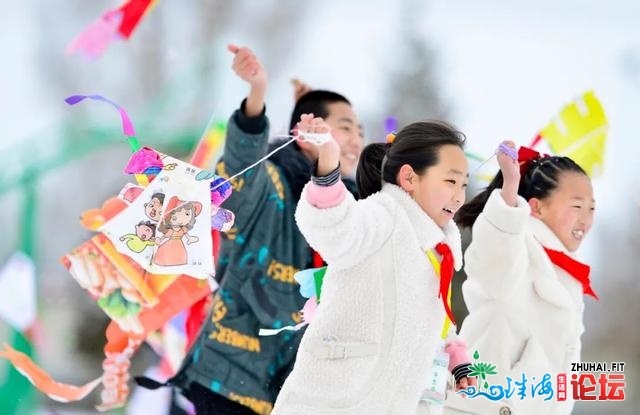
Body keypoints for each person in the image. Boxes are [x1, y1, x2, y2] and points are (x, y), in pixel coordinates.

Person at [170, 44, 364, 414]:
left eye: (360, 130)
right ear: (305, 134)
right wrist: (257, 94)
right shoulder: (270, 182)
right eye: (345, 128)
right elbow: (239, 176)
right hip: (230, 376)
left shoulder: (352, 208)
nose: (356, 139)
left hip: (294, 390)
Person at [272, 116, 476, 414]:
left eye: (463, 185)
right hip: (333, 403)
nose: (459, 197)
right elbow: (337, 229)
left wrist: (456, 356)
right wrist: (329, 161)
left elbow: (433, 324)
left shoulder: (434, 254)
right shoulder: (383, 216)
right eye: (450, 181)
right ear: (409, 178)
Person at [455, 142, 597, 414]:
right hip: (484, 405)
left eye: (591, 209)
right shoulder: (518, 245)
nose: (586, 219)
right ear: (537, 208)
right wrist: (509, 193)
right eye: (577, 206)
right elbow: (496, 259)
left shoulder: (568, 274)